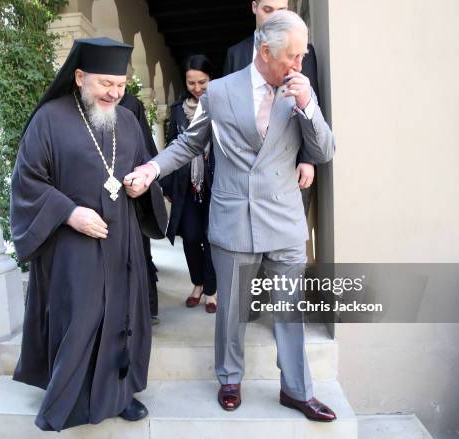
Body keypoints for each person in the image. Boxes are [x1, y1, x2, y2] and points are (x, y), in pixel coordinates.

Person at [125, 11, 337, 421]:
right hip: (232, 219)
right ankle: (230, 378)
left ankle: (297, 390)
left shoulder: (300, 91)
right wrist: (152, 169)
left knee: (289, 312)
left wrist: (308, 105)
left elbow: (325, 151)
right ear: (265, 52)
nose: (298, 64)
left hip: (285, 222)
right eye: (291, 57)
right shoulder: (218, 93)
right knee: (232, 313)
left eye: (301, 56)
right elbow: (189, 143)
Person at [10, 37, 167, 432]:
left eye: (120, 84)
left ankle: (120, 393)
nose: (115, 93)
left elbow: (143, 165)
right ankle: (68, 400)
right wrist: (68, 212)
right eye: (105, 84)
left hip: (123, 240)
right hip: (72, 245)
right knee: (82, 316)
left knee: (124, 316)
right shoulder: (49, 119)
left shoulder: (129, 121)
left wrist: (140, 184)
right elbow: (27, 181)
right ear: (80, 77)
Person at [224, 0, 318, 209]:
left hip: (289, 166)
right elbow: (226, 113)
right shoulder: (236, 54)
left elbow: (311, 109)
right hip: (245, 167)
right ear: (254, 7)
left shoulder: (303, 53)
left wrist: (308, 159)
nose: (275, 17)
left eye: (281, 10)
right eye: (268, 10)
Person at [161, 55, 217, 313]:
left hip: (215, 185)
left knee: (212, 238)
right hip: (187, 186)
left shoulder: (220, 104)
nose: (196, 88)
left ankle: (212, 290)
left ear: (211, 78)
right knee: (192, 238)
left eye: (202, 82)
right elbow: (172, 145)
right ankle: (197, 284)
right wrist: (169, 186)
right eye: (191, 82)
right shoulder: (176, 110)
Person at [118, 92, 161, 324]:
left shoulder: (130, 104)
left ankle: (147, 309)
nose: (113, 92)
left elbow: (145, 151)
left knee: (139, 254)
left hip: (130, 196)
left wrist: (142, 181)